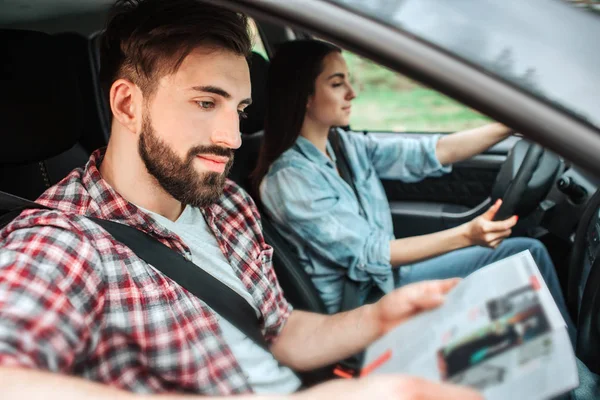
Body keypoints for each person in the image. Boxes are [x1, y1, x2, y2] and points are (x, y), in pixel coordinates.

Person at [0, 1, 482, 399]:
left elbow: (279, 331)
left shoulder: (226, 200)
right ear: (128, 104)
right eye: (206, 103)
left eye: (241, 109)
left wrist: (379, 316)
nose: (232, 136)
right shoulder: (63, 241)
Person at [253, 40, 575, 343]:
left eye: (349, 81)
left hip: (391, 276)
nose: (352, 93)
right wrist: (467, 235)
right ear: (304, 95)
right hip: (366, 302)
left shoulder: (345, 145)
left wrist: (513, 123)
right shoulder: (288, 180)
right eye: (337, 84)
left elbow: (432, 152)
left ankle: (572, 367)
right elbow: (371, 254)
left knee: (528, 254)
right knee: (525, 256)